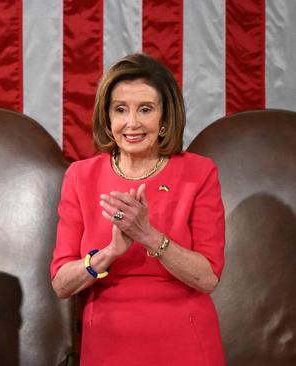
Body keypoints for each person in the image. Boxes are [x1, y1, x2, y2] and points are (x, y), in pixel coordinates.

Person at [50, 53, 225, 365]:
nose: (132, 123)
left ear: (164, 120)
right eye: (121, 110)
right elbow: (62, 284)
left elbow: (208, 278)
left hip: (185, 341)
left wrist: (149, 237)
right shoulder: (80, 176)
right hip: (107, 342)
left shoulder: (199, 173)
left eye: (145, 109)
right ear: (107, 118)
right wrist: (108, 254)